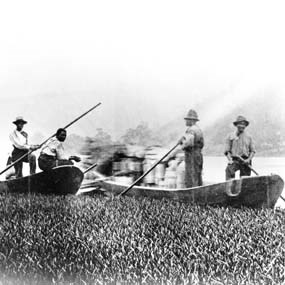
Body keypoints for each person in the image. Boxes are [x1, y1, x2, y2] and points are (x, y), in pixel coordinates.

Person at [224, 115, 256, 180]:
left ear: (245, 126)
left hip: (245, 161)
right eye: (240, 124)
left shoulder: (249, 137)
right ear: (236, 125)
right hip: (235, 160)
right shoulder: (230, 136)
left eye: (243, 124)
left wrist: (248, 159)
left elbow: (253, 151)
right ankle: (229, 188)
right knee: (229, 170)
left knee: (245, 180)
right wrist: (230, 160)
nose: (242, 126)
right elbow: (227, 151)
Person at [178, 109, 204, 188]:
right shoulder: (198, 129)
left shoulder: (191, 130)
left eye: (187, 120)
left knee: (191, 176)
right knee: (197, 175)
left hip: (192, 156)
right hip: (198, 155)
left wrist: (182, 145)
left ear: (191, 120)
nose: (186, 122)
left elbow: (189, 143)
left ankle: (191, 195)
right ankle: (199, 193)